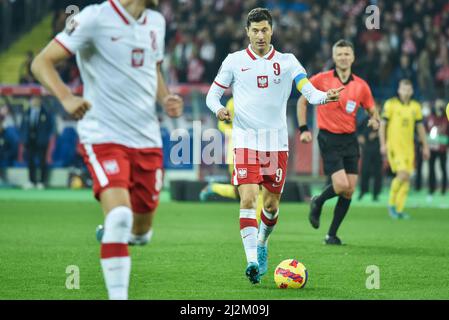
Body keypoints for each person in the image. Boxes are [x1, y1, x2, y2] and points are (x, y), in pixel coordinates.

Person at [31, 0, 183, 300]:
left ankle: (117, 233)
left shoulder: (156, 21)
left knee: (140, 231)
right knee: (120, 218)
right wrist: (66, 98)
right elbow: (41, 62)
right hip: (103, 135)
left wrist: (165, 97)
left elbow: (152, 67)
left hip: (146, 138)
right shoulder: (92, 19)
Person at [206, 8, 343, 284]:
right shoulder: (234, 61)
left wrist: (323, 97)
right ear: (247, 32)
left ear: (272, 31)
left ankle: (262, 242)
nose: (259, 35)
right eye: (254, 30)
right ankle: (252, 262)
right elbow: (212, 95)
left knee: (270, 206)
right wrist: (219, 110)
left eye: (264, 30)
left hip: (276, 145)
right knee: (247, 199)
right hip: (245, 141)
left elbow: (307, 89)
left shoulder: (288, 61)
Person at [297, 39, 380, 245]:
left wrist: (375, 120)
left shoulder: (361, 86)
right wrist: (303, 129)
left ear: (353, 57)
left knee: (350, 190)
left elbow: (371, 108)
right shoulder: (321, 79)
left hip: (350, 139)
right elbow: (302, 100)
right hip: (329, 137)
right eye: (339, 54)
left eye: (347, 54)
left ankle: (331, 234)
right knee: (341, 184)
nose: (343, 57)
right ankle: (318, 201)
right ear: (334, 57)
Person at [379, 79, 430, 219]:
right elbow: (382, 126)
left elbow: (420, 128)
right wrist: (383, 144)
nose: (406, 91)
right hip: (394, 147)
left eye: (408, 89)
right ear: (399, 90)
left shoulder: (415, 107)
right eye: (403, 89)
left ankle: (399, 210)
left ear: (412, 91)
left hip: (409, 148)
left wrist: (425, 146)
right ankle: (391, 205)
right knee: (402, 175)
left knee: (407, 179)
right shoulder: (391, 104)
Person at [20, 95, 55, 189]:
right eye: (32, 99)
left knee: (42, 161)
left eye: (36, 99)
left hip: (41, 141)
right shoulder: (27, 112)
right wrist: (23, 138)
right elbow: (23, 126)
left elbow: (50, 127)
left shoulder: (46, 113)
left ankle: (42, 181)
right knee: (30, 161)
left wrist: (46, 138)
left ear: (40, 100)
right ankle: (31, 181)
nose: (34, 101)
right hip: (29, 140)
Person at [357, 103, 383, 201]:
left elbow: (386, 132)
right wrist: (359, 136)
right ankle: (363, 191)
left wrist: (377, 135)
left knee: (377, 172)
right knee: (364, 171)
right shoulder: (365, 120)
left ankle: (376, 194)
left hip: (378, 150)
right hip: (367, 149)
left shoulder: (382, 121)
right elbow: (357, 131)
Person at [426, 99, 448, 197]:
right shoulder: (429, 117)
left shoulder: (447, 118)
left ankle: (444, 189)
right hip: (431, 147)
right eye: (437, 104)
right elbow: (425, 131)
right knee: (431, 169)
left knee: (443, 168)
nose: (439, 106)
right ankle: (431, 189)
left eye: (441, 104)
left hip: (442, 148)